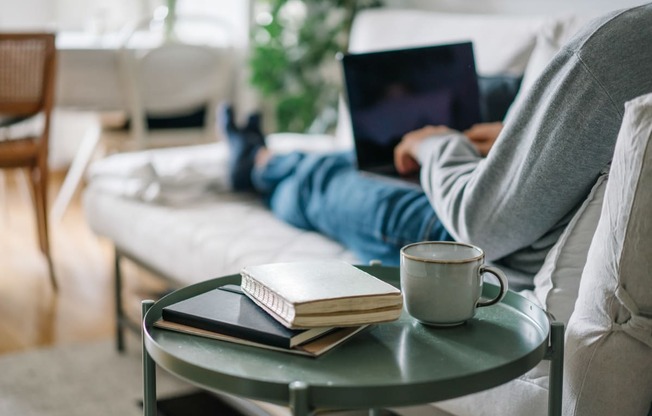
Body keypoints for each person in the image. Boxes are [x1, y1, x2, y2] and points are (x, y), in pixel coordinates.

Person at [224, 4, 652, 290]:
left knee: (323, 181)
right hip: (514, 217)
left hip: (477, 248)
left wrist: (436, 143)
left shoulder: (625, 45)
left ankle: (256, 165)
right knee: (351, 162)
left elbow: (481, 224)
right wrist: (512, 136)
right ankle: (262, 159)